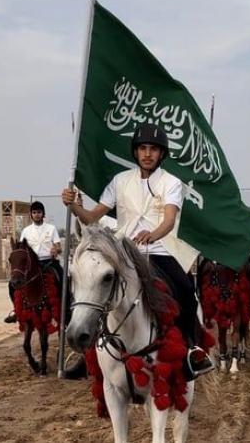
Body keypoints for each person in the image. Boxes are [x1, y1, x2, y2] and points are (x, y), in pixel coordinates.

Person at [61, 123, 214, 378]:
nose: (147, 154)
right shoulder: (120, 181)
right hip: (123, 253)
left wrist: (152, 234)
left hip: (160, 252)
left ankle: (191, 350)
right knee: (92, 291)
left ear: (161, 154)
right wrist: (75, 207)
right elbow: (91, 217)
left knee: (186, 290)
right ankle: (86, 355)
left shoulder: (171, 182)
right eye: (142, 148)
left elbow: (168, 220)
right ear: (135, 152)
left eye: (153, 149)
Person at [4, 201, 63, 323]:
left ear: (43, 214)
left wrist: (55, 250)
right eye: (34, 212)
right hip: (31, 265)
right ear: (31, 214)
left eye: (39, 212)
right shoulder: (26, 231)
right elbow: (21, 249)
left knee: (62, 278)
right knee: (12, 284)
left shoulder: (51, 229)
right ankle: (16, 310)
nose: (37, 215)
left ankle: (65, 307)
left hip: (48, 262)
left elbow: (59, 246)